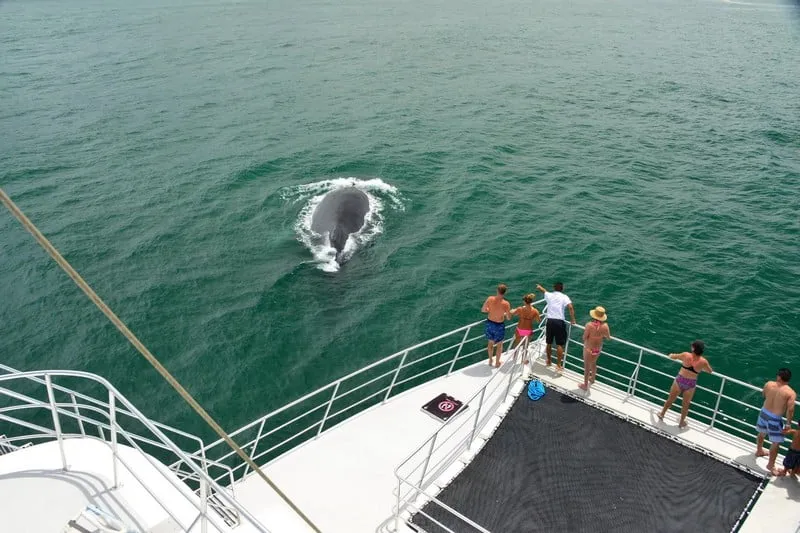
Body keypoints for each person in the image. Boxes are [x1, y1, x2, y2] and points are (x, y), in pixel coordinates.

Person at [657, 340, 712, 429]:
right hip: (690, 383)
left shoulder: (686, 355)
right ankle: (681, 422)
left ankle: (662, 414)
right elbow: (710, 371)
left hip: (680, 380)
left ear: (693, 348)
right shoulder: (703, 361)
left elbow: (674, 356)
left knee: (670, 399)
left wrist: (670, 355)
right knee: (685, 405)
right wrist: (701, 368)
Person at [756, 368, 796, 475]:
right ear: (788, 379)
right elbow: (790, 410)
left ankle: (759, 450)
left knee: (762, 433)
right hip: (774, 418)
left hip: (764, 412)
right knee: (776, 442)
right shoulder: (791, 393)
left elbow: (764, 395)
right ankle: (770, 465)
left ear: (779, 376)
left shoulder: (769, 384)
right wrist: (788, 423)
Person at [535, 282, 576, 373]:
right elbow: (570, 307)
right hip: (559, 322)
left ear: (554, 288)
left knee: (548, 343)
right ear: (562, 288)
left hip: (550, 321)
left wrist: (539, 287)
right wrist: (572, 319)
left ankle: (549, 361)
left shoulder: (549, 295)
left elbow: (544, 291)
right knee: (559, 344)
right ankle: (558, 365)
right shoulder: (564, 297)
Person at [579, 306, 610, 391]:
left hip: (589, 348)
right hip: (598, 348)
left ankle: (585, 385)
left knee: (587, 367)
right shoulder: (605, 326)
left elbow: (584, 337)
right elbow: (608, 337)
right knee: (593, 363)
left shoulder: (589, 325)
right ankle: (592, 378)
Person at [481, 284, 511, 368]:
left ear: (497, 291)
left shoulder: (490, 299)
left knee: (490, 343)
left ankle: (490, 360)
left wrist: (489, 310)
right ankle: (497, 362)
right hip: (499, 325)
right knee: (499, 345)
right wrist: (505, 314)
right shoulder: (506, 304)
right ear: (505, 292)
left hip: (490, 323)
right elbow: (508, 318)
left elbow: (483, 310)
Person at [510, 294, 541, 363]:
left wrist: (512, 310)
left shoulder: (520, 309)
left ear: (524, 302)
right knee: (525, 346)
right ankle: (523, 360)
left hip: (519, 329)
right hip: (528, 330)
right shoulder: (535, 311)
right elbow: (538, 320)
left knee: (517, 344)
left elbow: (512, 312)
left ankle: (514, 358)